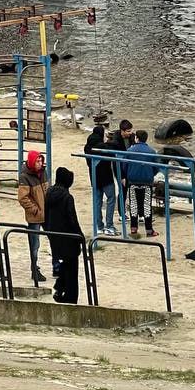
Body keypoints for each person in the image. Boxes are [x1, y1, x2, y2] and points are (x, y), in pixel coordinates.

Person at [44, 167, 84, 304]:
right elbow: (72, 219)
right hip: (69, 239)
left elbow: (45, 216)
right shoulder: (67, 197)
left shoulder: (49, 193)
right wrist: (80, 236)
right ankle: (70, 297)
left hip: (55, 237)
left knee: (63, 266)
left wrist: (49, 231)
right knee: (71, 270)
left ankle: (60, 289)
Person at [16, 149, 51, 285]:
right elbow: (23, 198)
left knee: (54, 239)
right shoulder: (25, 177)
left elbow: (48, 190)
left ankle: (56, 266)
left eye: (41, 161)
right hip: (35, 216)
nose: (40, 163)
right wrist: (35, 210)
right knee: (35, 245)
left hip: (47, 213)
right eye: (37, 161)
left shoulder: (43, 173)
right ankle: (34, 269)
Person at [84, 123, 117, 235]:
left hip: (94, 177)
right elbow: (112, 154)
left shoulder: (87, 146)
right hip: (106, 177)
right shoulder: (103, 146)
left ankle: (99, 226)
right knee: (111, 199)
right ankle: (109, 225)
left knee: (97, 202)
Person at [125, 129, 158, 237]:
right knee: (147, 205)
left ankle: (134, 229)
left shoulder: (129, 151)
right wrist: (150, 174)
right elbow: (156, 167)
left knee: (133, 205)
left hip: (133, 181)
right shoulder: (152, 151)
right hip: (147, 181)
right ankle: (149, 230)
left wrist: (128, 174)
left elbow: (124, 166)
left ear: (136, 138)